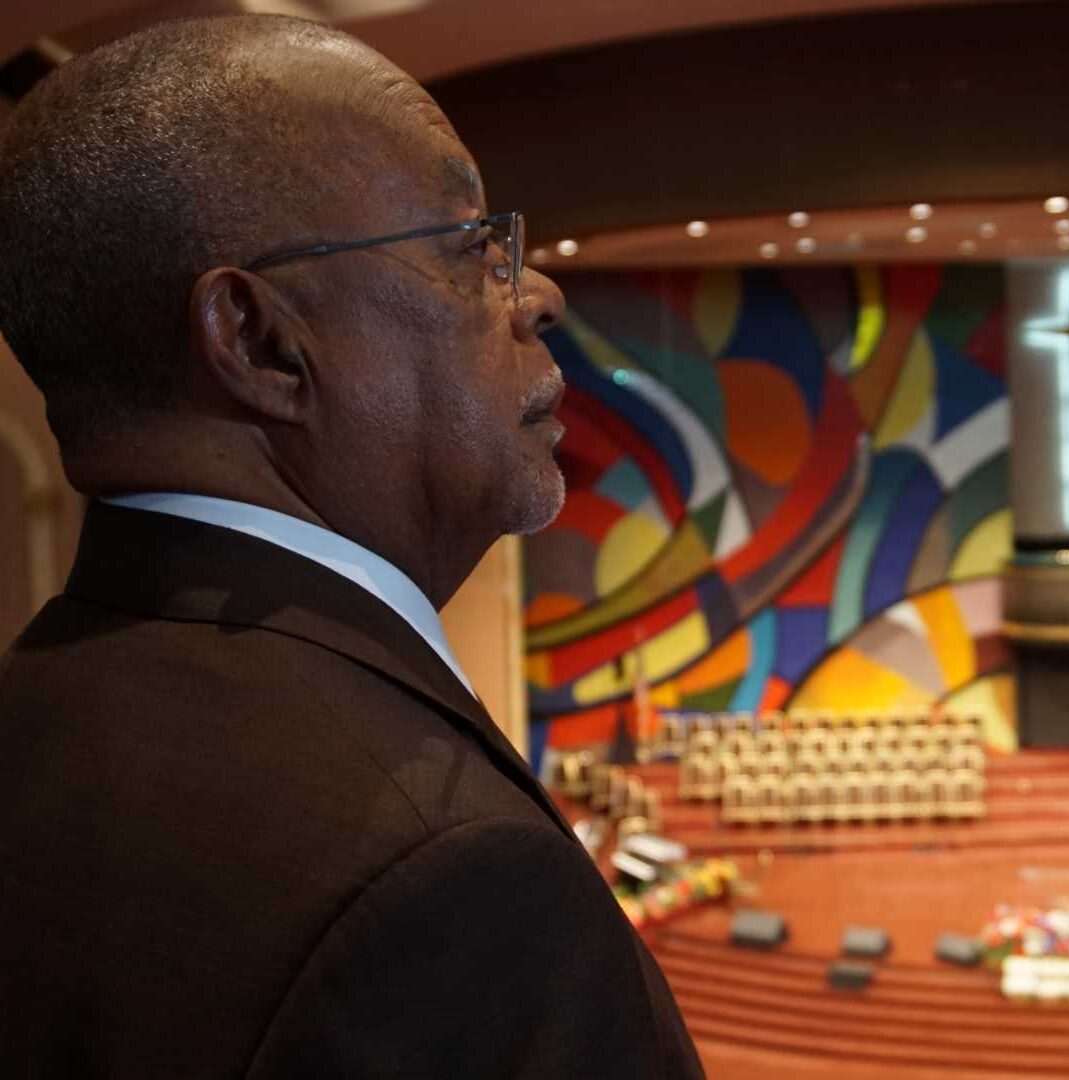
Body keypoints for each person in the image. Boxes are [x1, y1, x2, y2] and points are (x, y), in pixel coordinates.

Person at [0, 14, 702, 1077]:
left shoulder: (39, 720)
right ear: (261, 343)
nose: (539, 295)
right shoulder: (444, 873)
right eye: (470, 248)